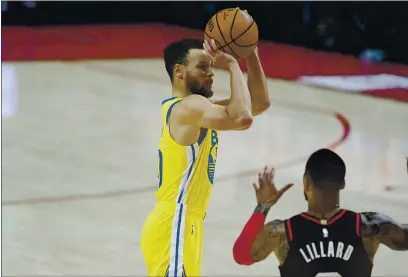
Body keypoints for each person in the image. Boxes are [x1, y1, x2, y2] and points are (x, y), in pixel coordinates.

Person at [141, 38, 270, 277]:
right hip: (176, 219)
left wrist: (250, 55)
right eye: (202, 67)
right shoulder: (190, 107)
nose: (211, 73)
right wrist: (232, 64)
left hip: (183, 220)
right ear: (179, 71)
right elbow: (243, 119)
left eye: (210, 67)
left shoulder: (196, 109)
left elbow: (258, 103)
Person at [233, 149, 408, 277]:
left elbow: (241, 255)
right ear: (343, 184)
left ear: (306, 182)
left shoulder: (282, 232)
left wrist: (263, 206)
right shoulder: (371, 226)